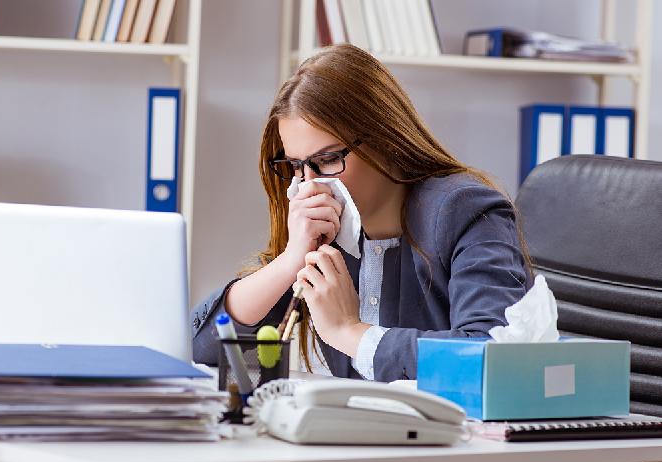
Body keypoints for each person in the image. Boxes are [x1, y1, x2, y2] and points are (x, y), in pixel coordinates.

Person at [191, 44, 532, 381]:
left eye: (326, 160)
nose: (308, 185)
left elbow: (491, 356)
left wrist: (350, 332)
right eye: (296, 166)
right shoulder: (325, 231)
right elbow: (201, 347)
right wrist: (290, 260)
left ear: (385, 140)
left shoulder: (464, 211)